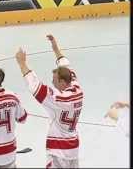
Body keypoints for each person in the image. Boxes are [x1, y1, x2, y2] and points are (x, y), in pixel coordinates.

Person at [15, 34, 83, 168]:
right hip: (73, 148)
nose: (52, 82)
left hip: (58, 150)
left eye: (55, 80)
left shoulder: (59, 99)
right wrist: (55, 48)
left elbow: (35, 86)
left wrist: (22, 63)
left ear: (63, 82)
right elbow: (66, 67)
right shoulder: (77, 89)